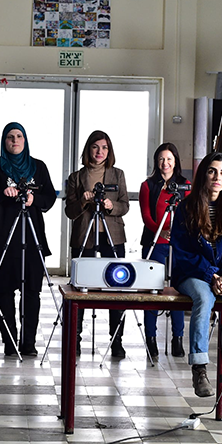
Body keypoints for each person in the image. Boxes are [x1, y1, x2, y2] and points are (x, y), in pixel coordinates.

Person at [170, 152, 222, 400]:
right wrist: (210, 275)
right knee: (204, 299)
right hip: (193, 273)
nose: (217, 177)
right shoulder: (187, 207)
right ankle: (199, 368)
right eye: (212, 171)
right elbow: (183, 252)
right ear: (203, 174)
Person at [0, 122, 56, 357]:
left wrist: (34, 200)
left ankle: (29, 342)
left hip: (31, 239)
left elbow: (50, 196)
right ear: (4, 141)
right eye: (10, 137)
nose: (15, 140)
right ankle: (10, 341)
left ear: (25, 140)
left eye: (19, 136)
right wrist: (3, 193)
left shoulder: (38, 167)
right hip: (1, 238)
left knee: (32, 291)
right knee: (3, 291)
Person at [65, 130, 130, 357]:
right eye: (95, 147)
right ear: (88, 149)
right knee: (81, 287)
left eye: (104, 148)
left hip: (112, 235)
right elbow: (69, 212)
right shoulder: (76, 177)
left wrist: (111, 206)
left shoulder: (118, 174)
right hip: (85, 236)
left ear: (109, 151)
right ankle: (75, 338)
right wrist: (83, 202)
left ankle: (117, 340)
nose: (100, 152)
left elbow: (125, 206)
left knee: (117, 287)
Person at [139, 143, 191, 358]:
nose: (165, 163)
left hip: (178, 244)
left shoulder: (185, 185)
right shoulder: (148, 185)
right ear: (156, 162)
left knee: (177, 292)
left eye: (169, 159)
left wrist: (176, 233)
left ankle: (177, 338)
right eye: (161, 159)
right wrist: (161, 232)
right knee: (152, 292)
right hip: (155, 242)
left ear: (175, 161)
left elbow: (190, 214)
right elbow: (146, 216)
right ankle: (151, 338)